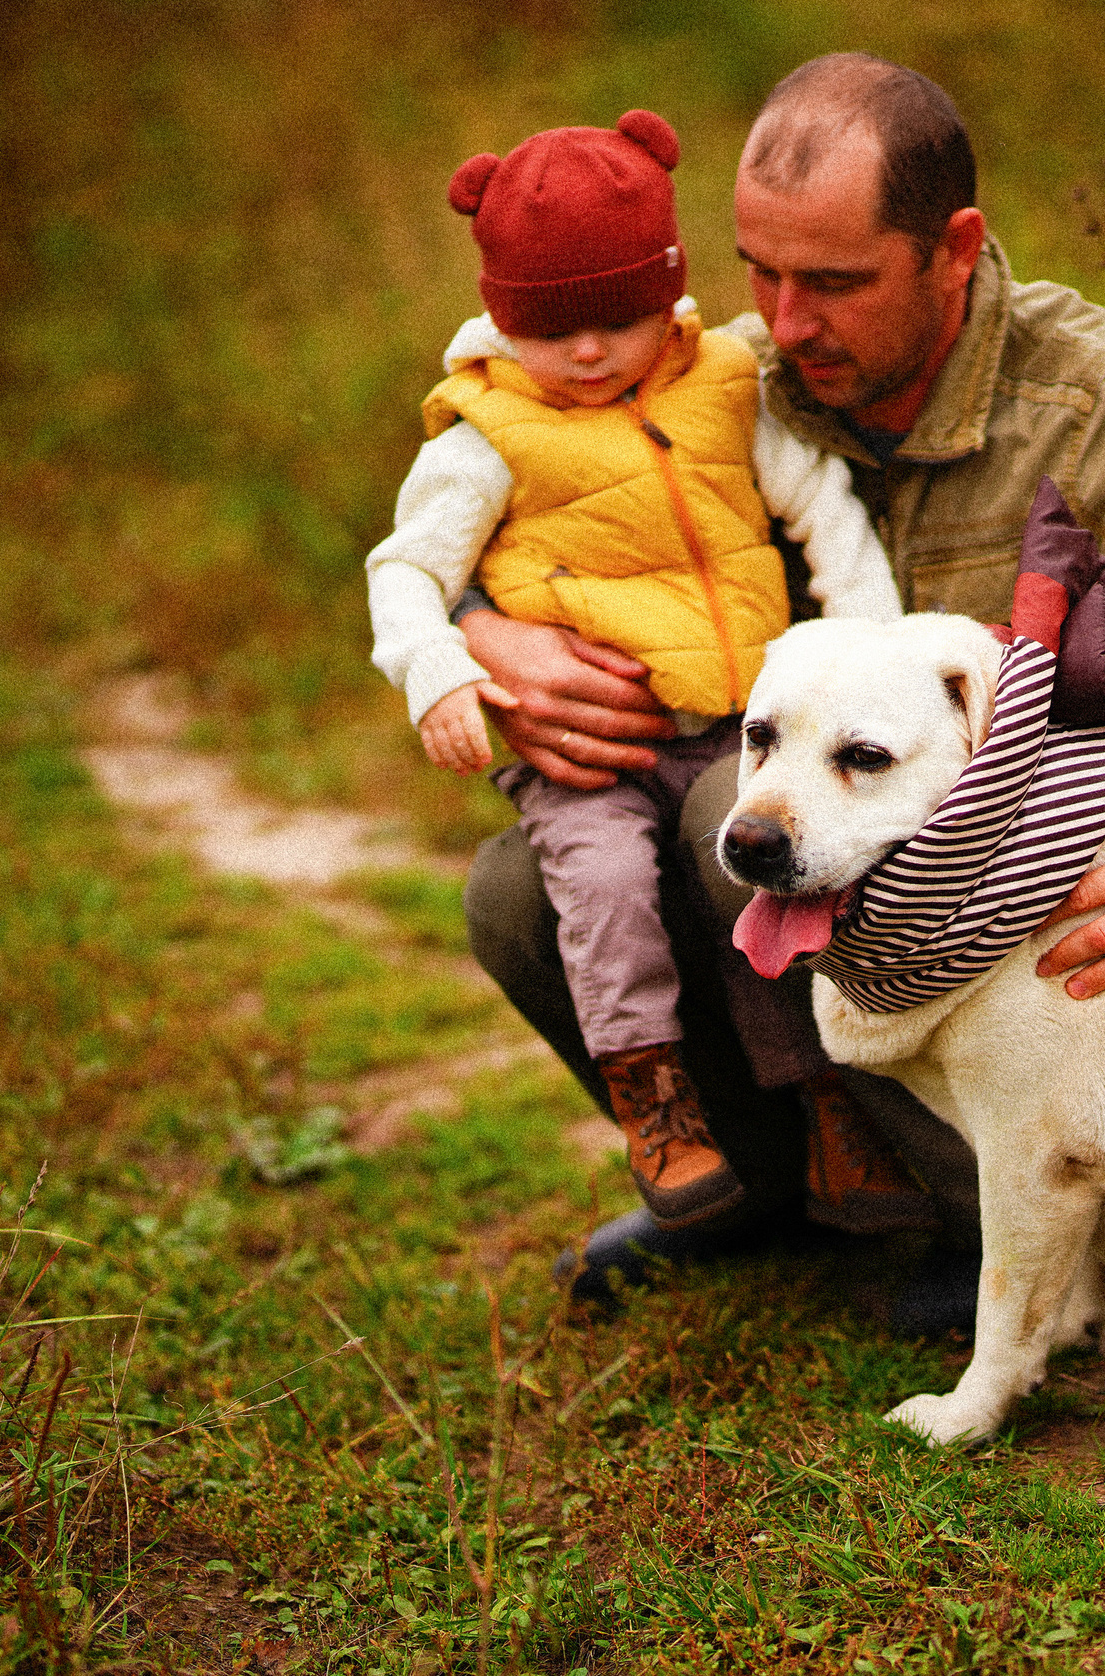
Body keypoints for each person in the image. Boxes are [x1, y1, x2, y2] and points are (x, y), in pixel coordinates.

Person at [456, 58, 1105, 1326]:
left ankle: (1002, 1229)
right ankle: (759, 1188)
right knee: (518, 894)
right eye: (760, 272)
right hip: (812, 834)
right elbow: (500, 509)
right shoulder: (721, 384)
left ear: (953, 251)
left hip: (1039, 867)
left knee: (728, 818)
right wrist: (483, 633)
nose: (786, 322)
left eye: (835, 282)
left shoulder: (1098, 398)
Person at [366, 110, 937, 1240]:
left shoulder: (725, 384)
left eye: (618, 321)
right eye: (551, 328)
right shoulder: (485, 430)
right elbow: (406, 568)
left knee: (755, 899)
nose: (588, 353)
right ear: (502, 314)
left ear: (667, 292)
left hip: (731, 722)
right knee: (606, 895)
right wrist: (439, 668)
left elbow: (822, 512)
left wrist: (874, 653)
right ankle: (655, 1099)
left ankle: (828, 1112)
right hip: (593, 751)